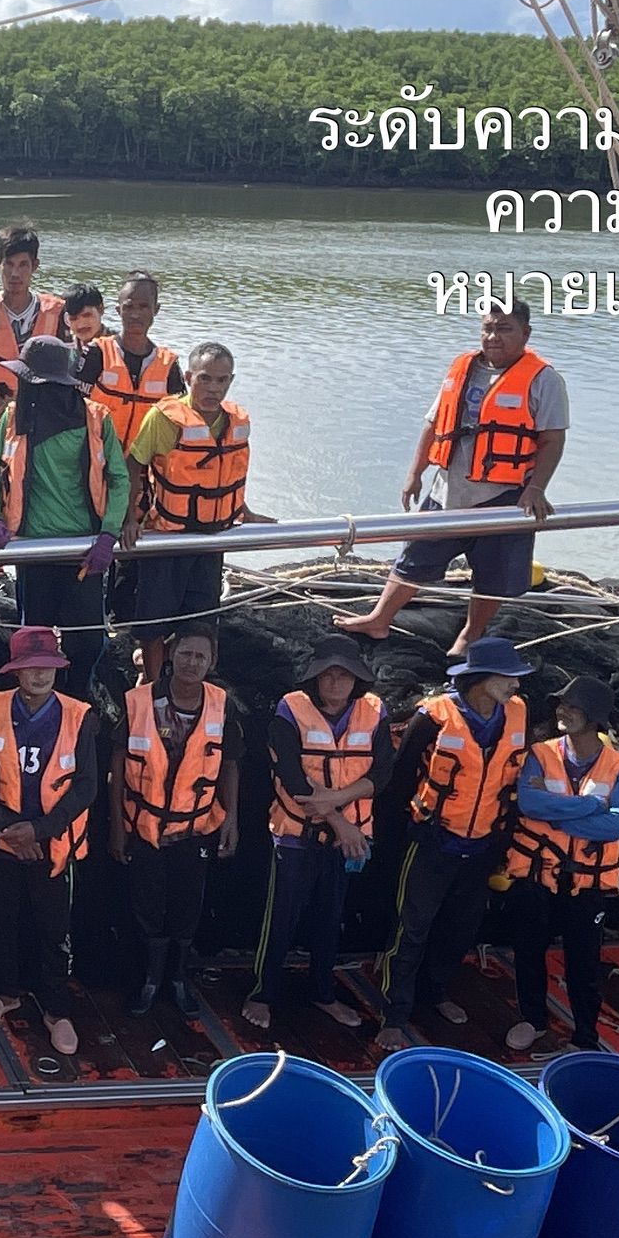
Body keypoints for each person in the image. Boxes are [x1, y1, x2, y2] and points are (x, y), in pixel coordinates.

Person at [342, 300, 568, 657]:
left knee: (493, 575)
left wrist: (536, 488)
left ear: (525, 334)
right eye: (488, 328)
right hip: (447, 489)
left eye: (504, 329)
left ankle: (470, 635)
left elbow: (553, 439)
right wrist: (415, 474)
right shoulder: (462, 368)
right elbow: (433, 425)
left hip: (505, 495)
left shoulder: (544, 380)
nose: (493, 336)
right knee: (413, 557)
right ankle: (379, 618)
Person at [373, 635, 532, 1051]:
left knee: (460, 926)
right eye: (508, 676)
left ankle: (435, 992)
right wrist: (397, 836)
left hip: (482, 843)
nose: (515, 684)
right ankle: (393, 1013)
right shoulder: (433, 718)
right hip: (432, 841)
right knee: (411, 928)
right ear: (480, 678)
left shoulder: (518, 712)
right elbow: (399, 778)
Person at [247, 635, 392, 1034]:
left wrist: (339, 802)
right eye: (327, 674)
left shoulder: (375, 711)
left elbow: (382, 772)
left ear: (357, 679)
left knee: (330, 918)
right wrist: (341, 823)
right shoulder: (289, 710)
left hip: (348, 841)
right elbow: (293, 779)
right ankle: (262, 993)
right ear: (314, 677)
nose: (335, 682)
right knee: (281, 918)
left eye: (344, 675)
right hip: (297, 835)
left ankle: (323, 993)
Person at [0, 337, 129, 696]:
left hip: (85, 552)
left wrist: (108, 535)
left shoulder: (97, 419)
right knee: (35, 639)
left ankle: (78, 696)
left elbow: (119, 480)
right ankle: (39, 701)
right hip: (34, 552)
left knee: (88, 642)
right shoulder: (12, 419)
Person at [0, 627, 97, 1058]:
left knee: (54, 930)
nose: (39, 675)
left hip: (53, 846)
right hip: (1, 839)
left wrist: (40, 830)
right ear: (15, 671)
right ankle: (6, 992)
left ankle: (57, 1009)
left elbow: (86, 785)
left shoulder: (80, 716)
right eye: (30, 667)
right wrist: (11, 828)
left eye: (47, 666)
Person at [109, 620, 240, 1016]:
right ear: (170, 656)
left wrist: (231, 819)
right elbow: (117, 765)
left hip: (195, 828)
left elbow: (230, 764)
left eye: (200, 656)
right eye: (185, 653)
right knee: (146, 905)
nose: (192, 662)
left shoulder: (222, 705)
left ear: (212, 661)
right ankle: (149, 980)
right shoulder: (138, 702)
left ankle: (178, 979)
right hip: (144, 827)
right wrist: (116, 828)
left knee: (187, 906)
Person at [503, 674, 619, 1056]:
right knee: (529, 951)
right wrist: (590, 806)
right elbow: (529, 803)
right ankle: (533, 1020)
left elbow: (616, 826)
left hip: (587, 884)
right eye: (562, 704)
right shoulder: (540, 754)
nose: (563, 711)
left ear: (594, 717)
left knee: (584, 964)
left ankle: (584, 1038)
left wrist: (557, 819)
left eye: (573, 706)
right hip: (537, 875)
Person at [124, 340, 269, 687]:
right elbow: (133, 465)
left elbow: (231, 471)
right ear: (189, 378)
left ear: (231, 381)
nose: (213, 388)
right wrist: (128, 519)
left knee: (202, 617)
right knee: (154, 621)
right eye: (205, 379)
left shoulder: (236, 421)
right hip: (167, 537)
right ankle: (153, 683)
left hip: (210, 538)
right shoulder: (164, 418)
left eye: (221, 380)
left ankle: (189, 683)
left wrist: (244, 511)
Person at [0, 222, 63, 474]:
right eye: (9, 264)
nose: (15, 273)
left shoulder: (57, 312)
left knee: (33, 486)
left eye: (23, 265)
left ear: (35, 266)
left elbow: (65, 373)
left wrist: (28, 409)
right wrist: (3, 407)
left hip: (39, 422)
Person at [79, 271, 184, 465]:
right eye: (129, 307)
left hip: (143, 468)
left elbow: (180, 421)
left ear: (156, 309)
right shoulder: (97, 353)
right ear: (118, 310)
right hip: (95, 461)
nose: (135, 314)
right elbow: (71, 407)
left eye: (144, 306)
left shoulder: (168, 365)